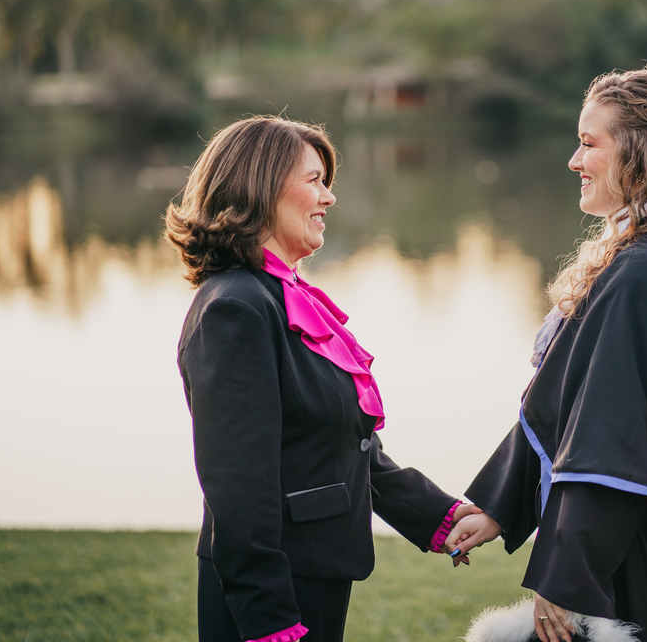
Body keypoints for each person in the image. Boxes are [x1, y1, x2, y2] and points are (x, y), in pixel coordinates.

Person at [446, 68, 647, 642]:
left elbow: (610, 442)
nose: (574, 160)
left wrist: (570, 576)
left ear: (642, 154)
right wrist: (500, 505)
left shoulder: (646, 271)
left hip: (634, 551)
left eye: (590, 143)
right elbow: (565, 401)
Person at [165, 116, 476, 642]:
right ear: (261, 188)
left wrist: (437, 516)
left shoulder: (281, 296)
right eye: (314, 180)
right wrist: (271, 622)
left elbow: (341, 444)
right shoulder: (235, 308)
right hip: (274, 592)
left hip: (315, 570)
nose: (329, 197)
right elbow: (237, 486)